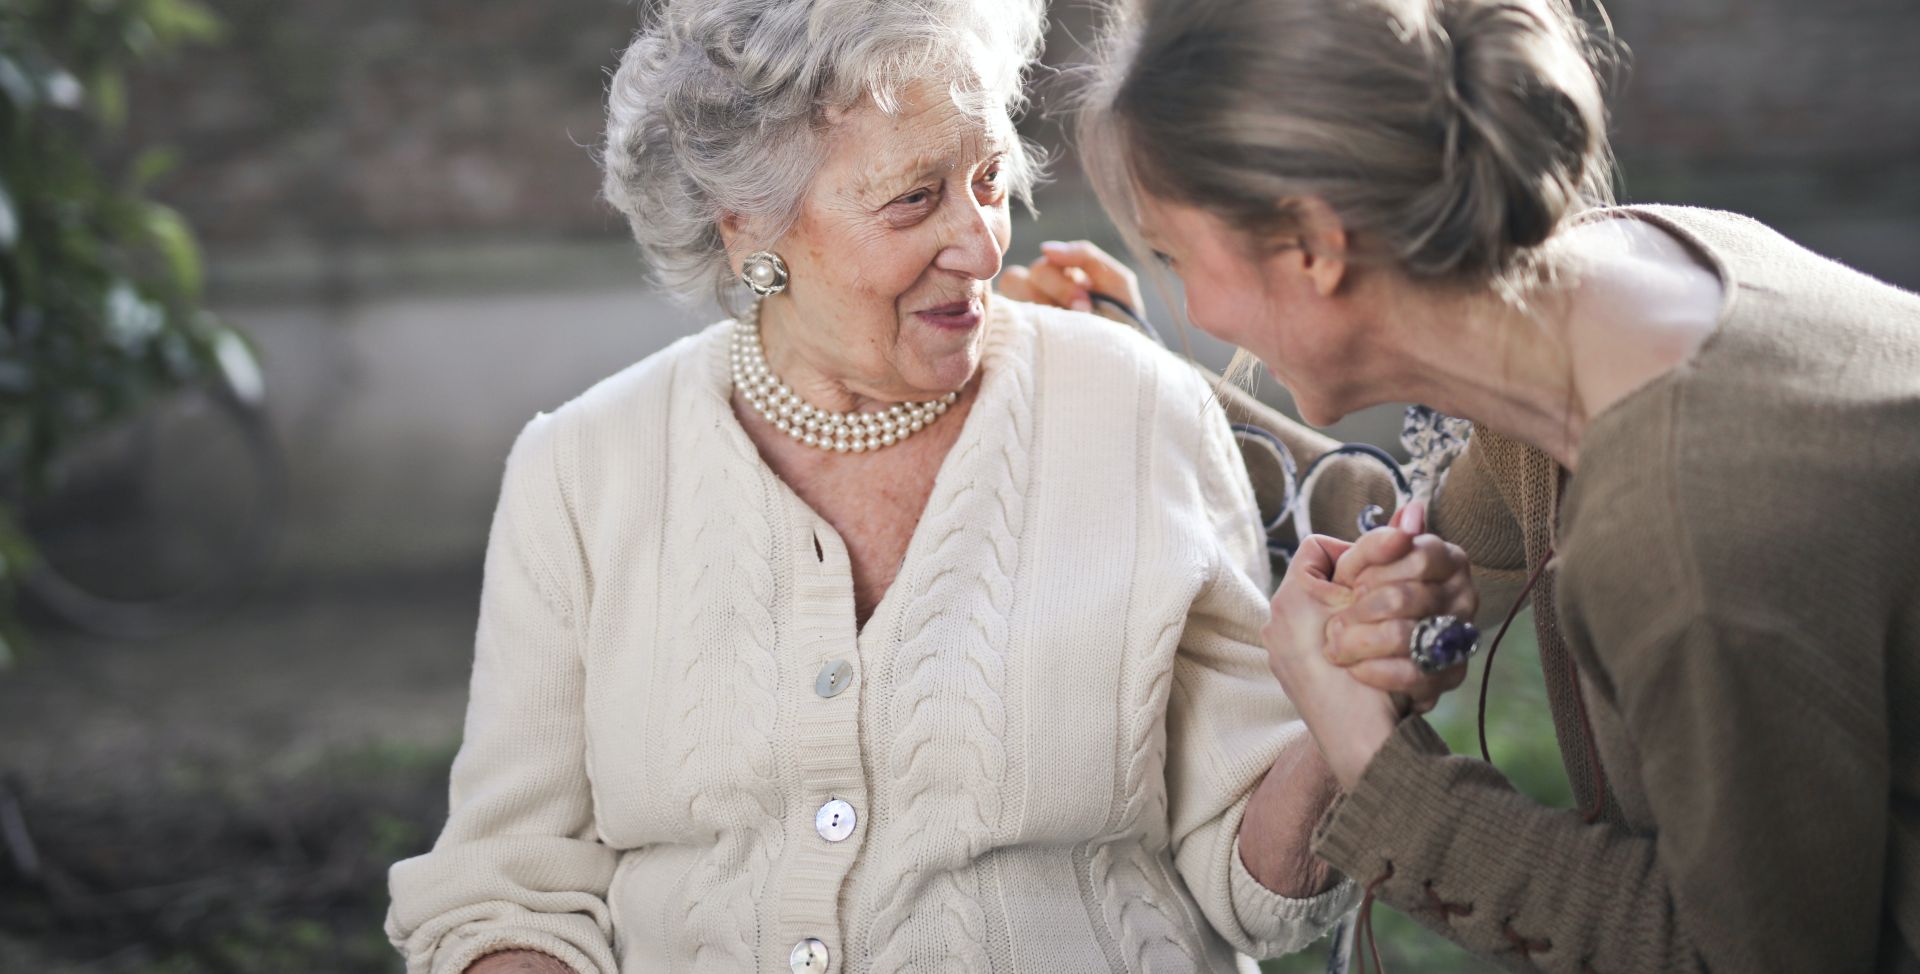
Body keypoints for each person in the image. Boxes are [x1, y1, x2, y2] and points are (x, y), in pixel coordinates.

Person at [383, 1, 1473, 971]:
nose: (980, 241)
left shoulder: (1135, 408)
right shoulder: (583, 468)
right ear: (748, 229)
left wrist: (1343, 701)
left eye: (990, 179)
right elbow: (506, 883)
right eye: (913, 200)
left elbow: (1250, 890)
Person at [1045, 0, 1920, 969]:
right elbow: (1418, 530)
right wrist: (1125, 369)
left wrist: (1383, 773)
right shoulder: (1620, 285)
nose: (1192, 303)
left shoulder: (1683, 533)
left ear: (1312, 246)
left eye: (1172, 254)